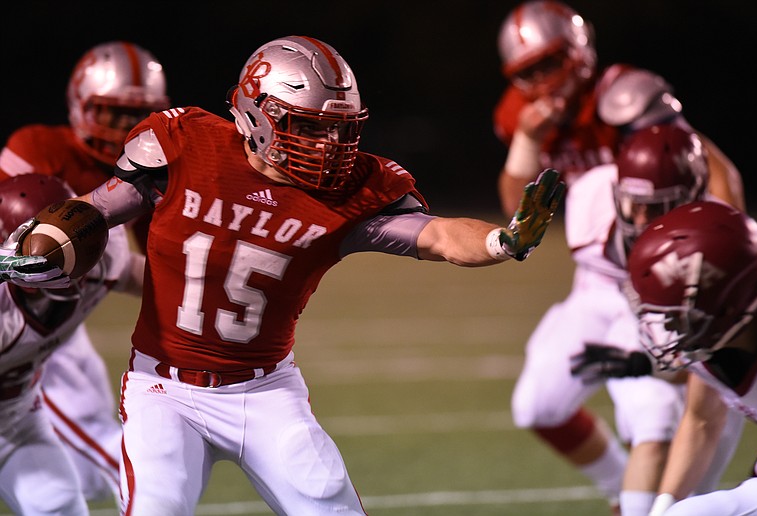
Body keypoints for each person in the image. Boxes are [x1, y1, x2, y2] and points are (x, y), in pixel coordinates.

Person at [0, 35, 565, 514]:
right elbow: (94, 210)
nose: (332, 146)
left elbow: (440, 235)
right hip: (164, 389)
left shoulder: (350, 191)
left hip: (267, 391)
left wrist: (502, 239)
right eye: (310, 127)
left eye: (342, 130)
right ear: (257, 113)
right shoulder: (185, 145)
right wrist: (39, 246)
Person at [493, 2, 746, 512]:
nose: (542, 81)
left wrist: (722, 239)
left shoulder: (623, 96)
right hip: (597, 274)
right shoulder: (521, 116)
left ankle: (651, 502)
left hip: (657, 276)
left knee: (651, 412)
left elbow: (709, 166)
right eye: (529, 72)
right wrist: (526, 141)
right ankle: (621, 492)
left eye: (549, 63)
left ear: (578, 53)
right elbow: (520, 216)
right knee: (536, 403)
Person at [0, 40, 169, 503]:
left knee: (59, 497)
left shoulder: (103, 251)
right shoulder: (38, 151)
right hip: (20, 302)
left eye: (134, 116)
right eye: (112, 112)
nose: (122, 128)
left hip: (22, 387)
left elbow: (154, 269)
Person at [620, 201, 757, 515]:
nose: (669, 328)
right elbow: (701, 421)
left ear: (729, 303)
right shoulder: (720, 334)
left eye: (682, 315)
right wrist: (663, 505)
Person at [0, 174, 144, 515]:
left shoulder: (100, 257)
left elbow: (150, 279)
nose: (63, 257)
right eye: (43, 250)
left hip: (16, 418)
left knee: (59, 505)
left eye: (69, 242)